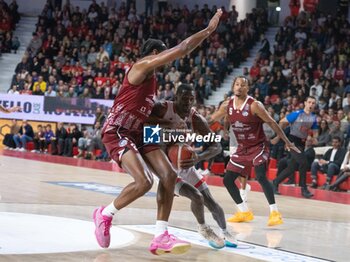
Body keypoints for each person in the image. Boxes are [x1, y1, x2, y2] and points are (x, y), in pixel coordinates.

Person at [94, 9, 223, 255]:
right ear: (155, 54)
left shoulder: (152, 82)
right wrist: (207, 31)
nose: (166, 57)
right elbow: (183, 48)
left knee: (169, 176)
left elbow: (149, 116)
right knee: (144, 181)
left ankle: (160, 235)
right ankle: (105, 214)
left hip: (141, 132)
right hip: (118, 131)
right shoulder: (141, 66)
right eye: (163, 53)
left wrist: (173, 132)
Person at [148, 84, 237, 249]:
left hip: (187, 164)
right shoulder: (162, 109)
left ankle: (225, 232)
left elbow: (215, 146)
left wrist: (199, 158)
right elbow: (146, 133)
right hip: (166, 167)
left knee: (211, 201)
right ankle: (203, 228)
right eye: (184, 98)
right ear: (176, 96)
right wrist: (168, 134)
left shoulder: (196, 119)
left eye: (191, 99)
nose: (188, 102)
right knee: (197, 197)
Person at [212, 76, 300, 226]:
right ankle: (243, 211)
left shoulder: (254, 105)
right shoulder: (227, 105)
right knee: (227, 180)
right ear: (233, 87)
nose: (239, 87)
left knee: (260, 176)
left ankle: (274, 213)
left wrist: (287, 142)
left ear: (248, 89)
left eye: (243, 85)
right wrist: (190, 121)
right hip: (242, 148)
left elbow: (272, 123)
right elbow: (213, 118)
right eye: (237, 84)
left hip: (259, 146)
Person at [272, 97, 319, 198]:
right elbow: (282, 121)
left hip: (302, 143)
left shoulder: (313, 118)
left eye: (313, 103)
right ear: (305, 103)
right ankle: (303, 188)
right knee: (304, 162)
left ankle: (275, 182)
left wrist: (314, 138)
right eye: (309, 102)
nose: (311, 104)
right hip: (292, 141)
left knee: (291, 168)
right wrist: (279, 136)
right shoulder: (297, 114)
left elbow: (315, 132)